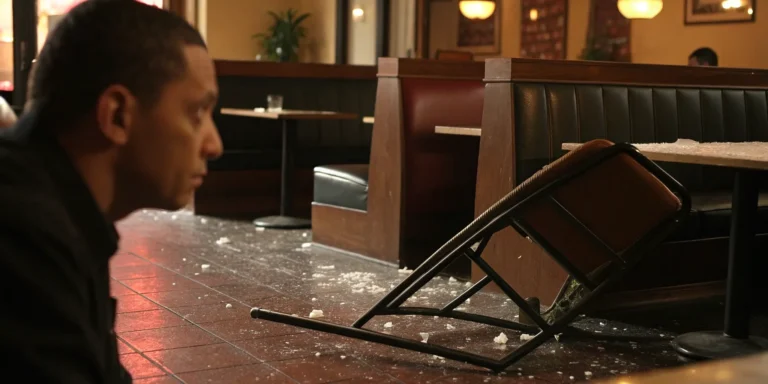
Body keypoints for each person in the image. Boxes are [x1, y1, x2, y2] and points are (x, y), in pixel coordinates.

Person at [0, 1, 222, 382]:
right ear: (117, 115)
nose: (214, 145)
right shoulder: (23, 236)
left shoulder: (65, 205)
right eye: (197, 114)